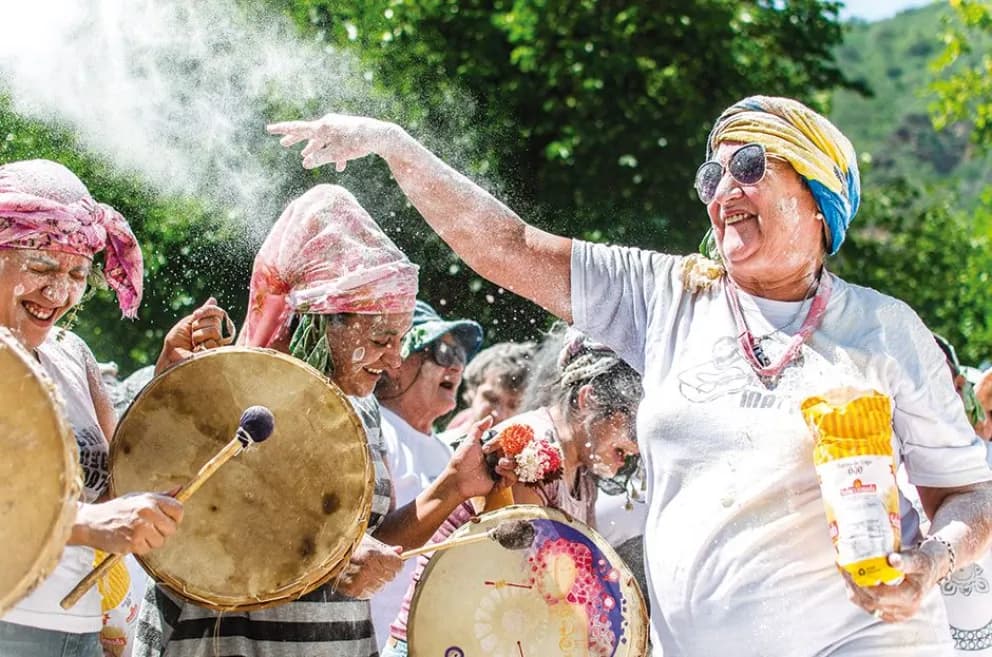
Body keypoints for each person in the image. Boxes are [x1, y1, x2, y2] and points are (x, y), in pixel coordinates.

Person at [270, 96, 992, 656]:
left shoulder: (883, 330)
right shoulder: (671, 294)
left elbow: (970, 490)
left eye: (748, 168)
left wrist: (930, 561)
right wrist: (393, 144)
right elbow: (509, 245)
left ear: (816, 190)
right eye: (712, 176)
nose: (721, 191)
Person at [134, 184, 514, 657]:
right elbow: (194, 532)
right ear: (319, 321)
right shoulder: (233, 390)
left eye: (400, 339)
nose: (394, 361)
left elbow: (367, 549)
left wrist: (454, 485)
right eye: (380, 338)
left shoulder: (363, 409)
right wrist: (337, 558)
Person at [0, 159, 226, 657]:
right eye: (40, 268)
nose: (58, 292)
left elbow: (126, 472)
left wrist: (169, 373)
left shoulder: (71, 352)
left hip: (83, 628)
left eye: (78, 273)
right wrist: (84, 525)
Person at [379, 326, 641, 657]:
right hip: (434, 642)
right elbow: (525, 574)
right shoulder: (525, 446)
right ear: (588, 399)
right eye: (633, 421)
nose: (637, 444)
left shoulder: (583, 473)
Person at [370, 299, 482, 646]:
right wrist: (454, 487)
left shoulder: (445, 450)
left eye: (460, 356)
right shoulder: (372, 427)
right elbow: (370, 545)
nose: (457, 367)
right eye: (443, 353)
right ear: (397, 362)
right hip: (372, 639)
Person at [443, 340, 536, 434]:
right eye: (492, 399)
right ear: (472, 391)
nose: (499, 415)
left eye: (514, 405)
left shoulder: (535, 443)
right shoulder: (448, 439)